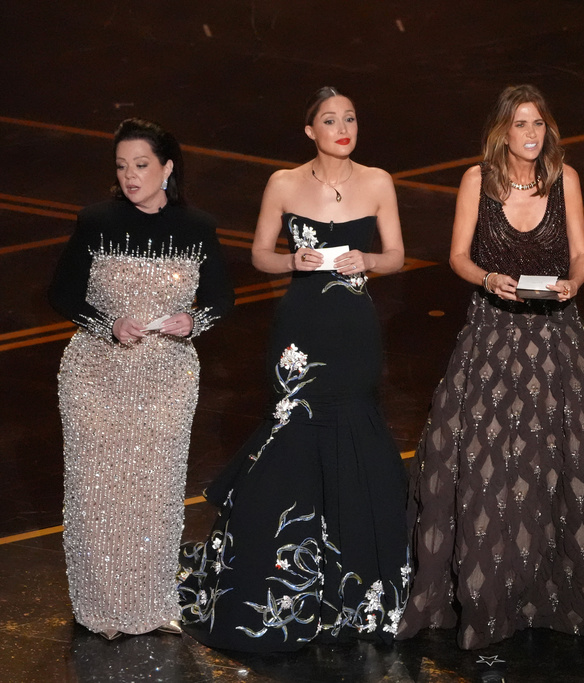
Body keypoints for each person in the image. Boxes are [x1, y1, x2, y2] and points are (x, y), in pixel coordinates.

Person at [399, 84, 584, 650]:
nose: (532, 135)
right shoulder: (476, 182)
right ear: (502, 131)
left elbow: (580, 252)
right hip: (492, 337)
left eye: (539, 125)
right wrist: (487, 278)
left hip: (556, 340)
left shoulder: (565, 179)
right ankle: (489, 595)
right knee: (487, 461)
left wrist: (575, 281)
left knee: (565, 460)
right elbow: (458, 254)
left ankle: (556, 593)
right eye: (521, 125)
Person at [178, 87, 410, 651]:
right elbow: (259, 254)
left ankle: (354, 593)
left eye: (350, 118)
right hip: (301, 329)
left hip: (354, 330)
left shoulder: (378, 181)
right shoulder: (283, 183)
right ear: (310, 131)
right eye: (330, 120)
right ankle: (283, 580)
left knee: (353, 431)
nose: (343, 127)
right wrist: (292, 260)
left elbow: (398, 256)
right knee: (294, 434)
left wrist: (368, 260)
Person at [50, 118, 234, 640]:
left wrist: (193, 322)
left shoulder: (198, 226)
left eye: (142, 165)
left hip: (167, 378)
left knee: (155, 492)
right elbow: (62, 294)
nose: (130, 176)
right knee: (98, 494)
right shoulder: (95, 220)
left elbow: (223, 301)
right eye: (122, 166)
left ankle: (153, 607)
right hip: (95, 374)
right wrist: (108, 325)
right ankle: (101, 610)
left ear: (167, 168)